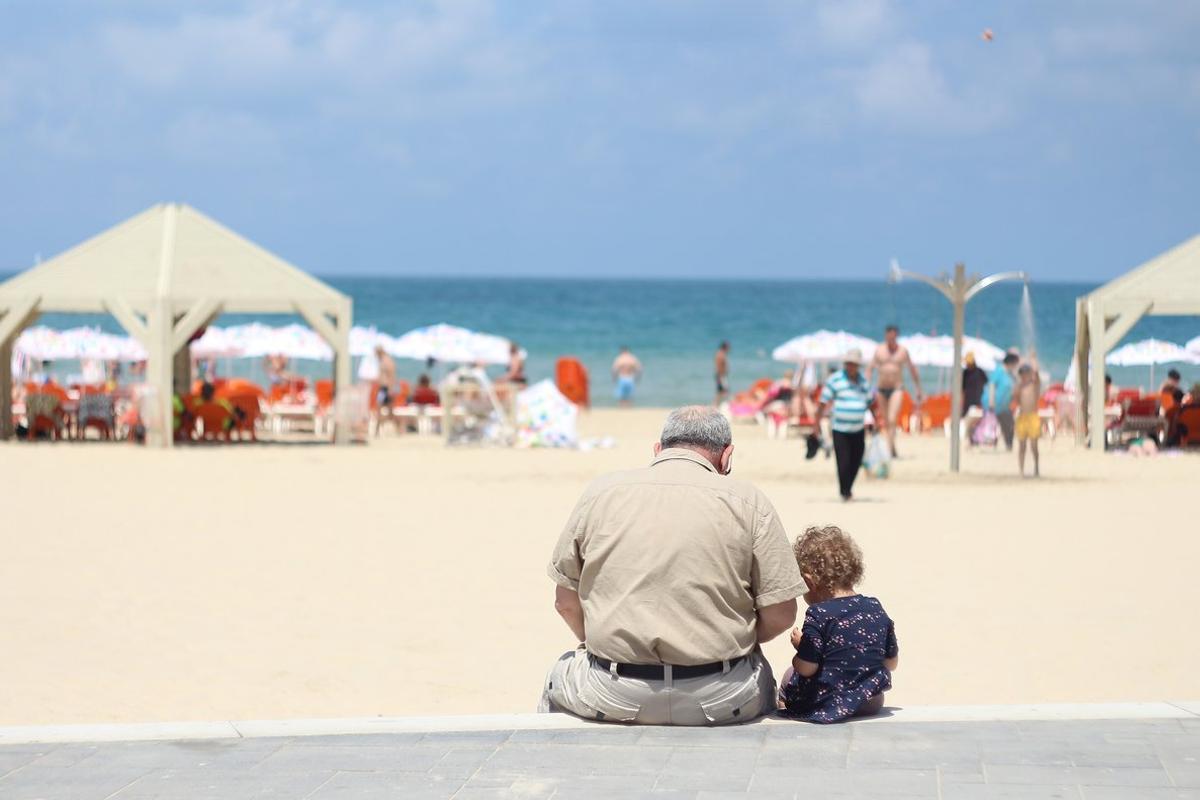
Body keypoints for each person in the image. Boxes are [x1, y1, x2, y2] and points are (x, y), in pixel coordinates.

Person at [541, 406, 806, 726]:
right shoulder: (749, 501)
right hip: (722, 695)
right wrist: (735, 640)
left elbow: (564, 602)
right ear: (727, 457)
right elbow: (781, 613)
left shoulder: (603, 492)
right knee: (764, 676)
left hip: (614, 691)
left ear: (658, 450)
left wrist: (603, 643)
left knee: (558, 675)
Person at [778, 526, 898, 723]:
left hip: (829, 699)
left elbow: (807, 668)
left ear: (809, 581)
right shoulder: (874, 607)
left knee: (789, 676)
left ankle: (786, 709)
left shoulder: (818, 614)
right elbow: (890, 663)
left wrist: (801, 649)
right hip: (871, 700)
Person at [815, 349, 874, 501]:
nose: (851, 366)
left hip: (858, 428)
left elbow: (870, 403)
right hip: (839, 428)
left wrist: (875, 422)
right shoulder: (835, 380)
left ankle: (848, 488)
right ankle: (845, 491)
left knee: (857, 460)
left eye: (853, 364)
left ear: (858, 365)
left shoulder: (863, 382)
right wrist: (816, 425)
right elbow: (822, 402)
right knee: (843, 461)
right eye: (848, 363)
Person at [866, 325, 923, 457]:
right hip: (881, 389)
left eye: (894, 335)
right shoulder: (879, 350)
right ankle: (892, 448)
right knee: (886, 421)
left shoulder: (902, 351)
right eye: (889, 335)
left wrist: (918, 388)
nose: (891, 338)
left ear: (896, 336)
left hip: (896, 388)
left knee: (892, 419)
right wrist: (866, 386)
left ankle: (890, 449)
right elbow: (870, 369)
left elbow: (912, 369)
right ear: (886, 336)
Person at [1015, 355, 1042, 477]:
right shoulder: (1020, 386)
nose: (1023, 376)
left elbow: (1037, 374)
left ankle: (1036, 467)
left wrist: (1033, 360)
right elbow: (1015, 398)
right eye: (1022, 374)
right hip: (1022, 417)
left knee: (1034, 445)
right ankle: (1021, 470)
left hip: (1032, 416)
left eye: (1025, 373)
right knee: (1022, 445)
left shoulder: (1034, 385)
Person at [988, 351, 1020, 451]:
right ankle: (1008, 445)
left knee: (1008, 425)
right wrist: (991, 401)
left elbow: (1017, 384)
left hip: (1006, 405)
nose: (1016, 366)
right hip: (998, 403)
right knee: (1007, 424)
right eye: (1015, 364)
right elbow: (992, 385)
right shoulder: (999, 371)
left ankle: (1008, 445)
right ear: (1011, 363)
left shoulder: (1010, 374)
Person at [961, 352, 988, 445]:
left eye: (968, 363)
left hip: (978, 401)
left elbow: (986, 386)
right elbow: (962, 389)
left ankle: (975, 439)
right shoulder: (965, 373)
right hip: (968, 401)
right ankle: (971, 439)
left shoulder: (980, 372)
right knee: (968, 422)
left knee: (976, 421)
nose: (967, 364)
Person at [714, 341, 730, 406]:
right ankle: (719, 405)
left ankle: (717, 405)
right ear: (725, 347)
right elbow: (719, 366)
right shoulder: (721, 355)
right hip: (721, 375)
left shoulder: (720, 354)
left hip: (721, 375)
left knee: (720, 391)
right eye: (728, 347)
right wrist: (721, 377)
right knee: (724, 391)